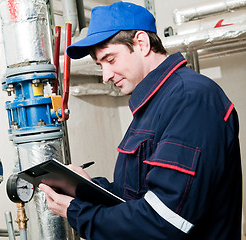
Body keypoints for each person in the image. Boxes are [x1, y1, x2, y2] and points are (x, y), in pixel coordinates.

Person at [39, 1, 242, 239]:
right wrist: (87, 188)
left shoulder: (191, 98)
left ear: (142, 43)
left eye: (110, 60)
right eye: (100, 65)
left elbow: (166, 220)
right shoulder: (153, 104)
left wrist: (78, 213)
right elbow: (136, 196)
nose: (105, 76)